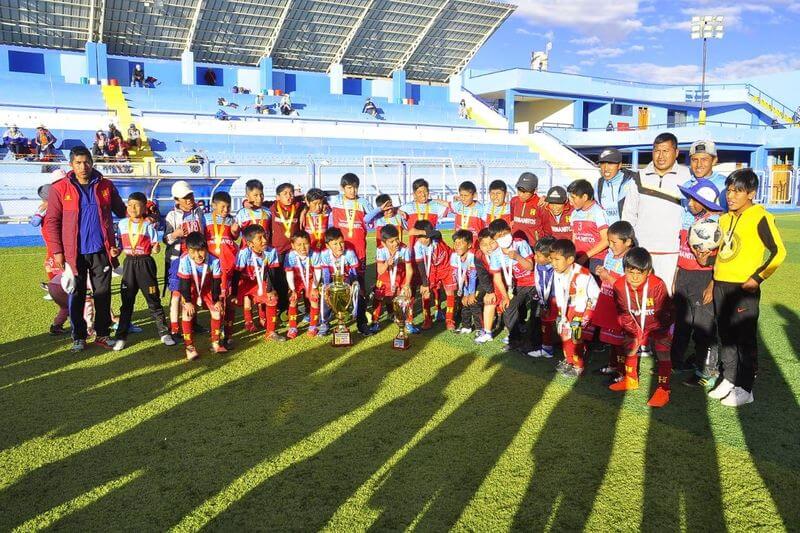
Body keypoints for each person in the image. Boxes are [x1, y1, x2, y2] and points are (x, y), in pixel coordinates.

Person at [707, 169, 786, 407]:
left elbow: (779, 252)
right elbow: (723, 252)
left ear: (751, 193)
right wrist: (709, 268)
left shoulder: (760, 216)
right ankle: (729, 378)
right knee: (726, 335)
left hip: (744, 287)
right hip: (722, 284)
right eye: (729, 190)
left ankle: (746, 387)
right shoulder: (724, 218)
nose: (731, 196)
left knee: (744, 339)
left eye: (737, 191)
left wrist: (758, 278)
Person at [44, 146, 127, 351]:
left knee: (103, 294)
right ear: (71, 165)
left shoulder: (106, 185)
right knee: (77, 295)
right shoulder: (60, 189)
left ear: (92, 162)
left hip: (101, 251)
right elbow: (51, 221)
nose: (83, 167)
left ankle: (103, 334)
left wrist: (144, 209)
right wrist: (57, 252)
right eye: (78, 163)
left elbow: (122, 210)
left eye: (86, 162)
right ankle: (78, 337)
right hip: (74, 254)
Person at [622, 132, 690, 293]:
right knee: (641, 297)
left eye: (665, 151)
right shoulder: (639, 177)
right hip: (642, 252)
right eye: (657, 150)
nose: (660, 156)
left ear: (676, 153)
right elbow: (629, 214)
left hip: (672, 253)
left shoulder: (688, 177)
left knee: (667, 297)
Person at [672, 180, 723, 385]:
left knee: (703, 325)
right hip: (684, 274)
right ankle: (676, 362)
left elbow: (721, 259)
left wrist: (712, 284)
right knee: (682, 323)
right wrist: (676, 275)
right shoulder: (689, 218)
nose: (689, 202)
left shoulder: (716, 224)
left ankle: (707, 372)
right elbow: (680, 249)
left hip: (703, 278)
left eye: (694, 199)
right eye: (690, 198)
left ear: (706, 202)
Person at [610, 247, 674, 407]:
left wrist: (657, 329)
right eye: (630, 272)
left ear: (649, 271)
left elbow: (666, 311)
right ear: (624, 270)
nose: (635, 277)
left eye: (640, 273)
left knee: (662, 352)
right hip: (634, 323)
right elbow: (622, 311)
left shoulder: (657, 284)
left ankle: (663, 389)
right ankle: (631, 379)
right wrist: (634, 330)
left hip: (659, 324)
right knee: (629, 346)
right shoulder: (618, 285)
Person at [112, 192, 174, 350]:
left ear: (144, 207)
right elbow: (119, 245)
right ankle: (121, 337)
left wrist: (156, 248)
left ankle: (164, 333)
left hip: (145, 264)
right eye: (130, 204)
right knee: (127, 302)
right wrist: (116, 251)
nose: (133, 208)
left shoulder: (148, 225)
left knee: (153, 301)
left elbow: (155, 245)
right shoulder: (122, 224)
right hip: (129, 264)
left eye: (137, 204)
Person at [590, 221, 637, 381]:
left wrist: (607, 276)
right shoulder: (610, 254)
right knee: (611, 339)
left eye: (614, 242)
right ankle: (612, 365)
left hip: (620, 307)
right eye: (609, 242)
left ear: (628, 242)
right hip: (607, 301)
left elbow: (629, 285)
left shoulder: (631, 260)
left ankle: (623, 373)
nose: (610, 246)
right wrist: (601, 272)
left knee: (620, 342)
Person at [164, 180, 206, 340]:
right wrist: (176, 234)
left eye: (190, 196)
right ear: (176, 200)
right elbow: (166, 239)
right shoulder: (171, 216)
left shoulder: (199, 212)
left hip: (196, 259)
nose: (189, 200)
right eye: (185, 197)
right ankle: (175, 328)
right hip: (178, 260)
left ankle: (193, 323)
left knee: (193, 292)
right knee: (176, 293)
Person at [487, 218, 537, 353]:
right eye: (499, 236)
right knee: (508, 308)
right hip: (518, 285)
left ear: (510, 230)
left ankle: (534, 343)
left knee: (536, 313)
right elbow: (497, 277)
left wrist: (517, 257)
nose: (504, 237)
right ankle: (515, 340)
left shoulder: (520, 244)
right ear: (494, 239)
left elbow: (530, 267)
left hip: (534, 283)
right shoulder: (496, 254)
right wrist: (505, 297)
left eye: (505, 233)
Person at [551, 239, 599, 377]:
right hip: (567, 306)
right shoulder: (557, 271)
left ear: (570, 259)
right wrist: (561, 312)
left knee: (576, 335)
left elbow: (588, 297)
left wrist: (581, 316)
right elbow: (560, 293)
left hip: (583, 307)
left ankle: (579, 366)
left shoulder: (582, 275)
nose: (553, 263)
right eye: (552, 259)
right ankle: (569, 360)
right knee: (564, 333)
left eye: (557, 259)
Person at [177, 232, 227, 359]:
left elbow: (216, 282)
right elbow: (184, 283)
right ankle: (189, 347)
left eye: (200, 251)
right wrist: (187, 301)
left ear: (206, 249)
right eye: (193, 252)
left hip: (208, 289)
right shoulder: (184, 260)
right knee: (186, 313)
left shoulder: (214, 260)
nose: (197, 255)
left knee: (217, 311)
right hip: (191, 289)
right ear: (187, 250)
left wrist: (216, 300)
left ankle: (215, 342)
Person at [230, 224, 284, 341]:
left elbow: (272, 273)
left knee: (272, 299)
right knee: (231, 302)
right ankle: (229, 332)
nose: (264, 240)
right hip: (244, 282)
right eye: (260, 238)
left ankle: (271, 332)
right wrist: (234, 293)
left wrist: (270, 290)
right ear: (250, 244)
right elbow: (236, 274)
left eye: (265, 236)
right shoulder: (243, 253)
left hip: (260, 282)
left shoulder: (271, 251)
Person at [315, 227, 371, 337]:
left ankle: (362, 324)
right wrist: (327, 288)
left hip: (348, 280)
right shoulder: (324, 254)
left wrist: (355, 286)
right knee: (325, 296)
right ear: (327, 245)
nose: (339, 246)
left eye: (341, 242)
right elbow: (326, 274)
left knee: (359, 296)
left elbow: (354, 272)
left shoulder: (349, 252)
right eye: (335, 244)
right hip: (332, 281)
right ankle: (324, 324)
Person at [205, 191, 239, 346]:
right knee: (215, 298)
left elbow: (234, 237)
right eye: (222, 207)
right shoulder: (205, 218)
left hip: (227, 266)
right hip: (211, 266)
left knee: (228, 300)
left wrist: (234, 231)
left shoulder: (231, 220)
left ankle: (229, 334)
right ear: (213, 205)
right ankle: (215, 333)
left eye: (228, 207)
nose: (226, 210)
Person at [327, 174, 370, 292]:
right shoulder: (336, 201)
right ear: (342, 188)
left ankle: (360, 307)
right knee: (339, 276)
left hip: (359, 248)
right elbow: (315, 202)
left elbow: (376, 217)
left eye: (356, 188)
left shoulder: (363, 202)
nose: (353, 191)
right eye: (349, 188)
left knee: (360, 278)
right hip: (340, 248)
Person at [370, 224, 414, 334]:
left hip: (401, 278)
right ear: (384, 243)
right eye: (392, 241)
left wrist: (407, 284)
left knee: (408, 296)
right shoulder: (380, 250)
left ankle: (409, 322)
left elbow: (409, 269)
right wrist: (386, 264)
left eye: (397, 239)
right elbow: (380, 271)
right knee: (379, 295)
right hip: (385, 278)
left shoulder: (404, 249)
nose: (396, 243)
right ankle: (375, 322)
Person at [413, 220, 455, 331]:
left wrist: (424, 232)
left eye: (426, 237)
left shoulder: (437, 238)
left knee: (449, 292)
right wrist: (425, 283)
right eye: (421, 237)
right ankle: (428, 319)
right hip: (431, 269)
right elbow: (421, 265)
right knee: (426, 291)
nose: (424, 240)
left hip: (447, 266)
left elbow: (436, 233)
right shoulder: (418, 246)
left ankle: (449, 320)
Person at [270, 182, 304, 311]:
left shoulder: (298, 206)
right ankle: (281, 307)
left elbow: (311, 201)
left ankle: (292, 305)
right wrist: (245, 201)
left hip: (292, 251)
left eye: (291, 193)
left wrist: (305, 209)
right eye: (285, 194)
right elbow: (256, 203)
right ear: (278, 197)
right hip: (277, 250)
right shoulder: (272, 207)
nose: (289, 196)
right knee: (278, 279)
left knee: (293, 278)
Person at [284, 231, 321, 338]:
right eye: (299, 245)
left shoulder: (314, 254)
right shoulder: (290, 255)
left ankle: (313, 326)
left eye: (306, 244)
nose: (303, 247)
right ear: (293, 245)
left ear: (310, 243)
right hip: (296, 280)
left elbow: (318, 272)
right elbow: (289, 274)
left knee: (314, 298)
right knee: (293, 299)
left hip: (310, 280)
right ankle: (292, 327)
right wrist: (292, 289)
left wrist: (315, 287)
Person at [567, 179, 609, 274]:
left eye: (573, 198)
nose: (570, 201)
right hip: (578, 258)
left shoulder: (598, 212)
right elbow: (574, 237)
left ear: (585, 197)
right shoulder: (574, 213)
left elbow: (606, 240)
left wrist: (585, 256)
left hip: (596, 259)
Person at [398, 179, 449, 253]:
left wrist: (438, 200)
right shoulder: (406, 208)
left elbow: (454, 208)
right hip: (414, 249)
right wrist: (397, 210)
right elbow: (390, 212)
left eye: (425, 191)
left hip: (432, 247)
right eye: (419, 192)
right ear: (414, 194)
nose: (423, 194)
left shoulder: (435, 205)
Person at [527, 236, 557, 358]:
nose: (535, 258)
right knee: (545, 323)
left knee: (561, 325)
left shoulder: (558, 268)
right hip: (543, 298)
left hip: (556, 300)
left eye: (538, 256)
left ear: (549, 258)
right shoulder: (539, 265)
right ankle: (546, 348)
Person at [474, 229, 504, 344]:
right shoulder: (478, 255)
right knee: (489, 300)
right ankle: (487, 333)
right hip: (492, 281)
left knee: (510, 305)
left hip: (508, 282)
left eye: (491, 243)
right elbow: (483, 275)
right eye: (484, 245)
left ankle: (515, 330)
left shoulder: (504, 252)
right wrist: (490, 291)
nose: (489, 247)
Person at [596, 148, 638, 224]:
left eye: (610, 163)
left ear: (619, 165)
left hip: (628, 233)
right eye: (602, 163)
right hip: (606, 234)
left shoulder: (633, 181)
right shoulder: (598, 185)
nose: (606, 168)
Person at [450, 230, 480, 334]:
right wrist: (461, 290)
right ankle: (466, 326)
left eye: (461, 243)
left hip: (478, 284)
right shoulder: (454, 256)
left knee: (473, 304)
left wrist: (469, 294)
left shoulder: (473, 257)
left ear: (469, 245)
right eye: (455, 243)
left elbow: (473, 277)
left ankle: (480, 329)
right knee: (464, 304)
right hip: (465, 285)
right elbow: (456, 274)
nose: (457, 245)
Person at [235, 179, 271, 248]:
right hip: (247, 250)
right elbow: (235, 236)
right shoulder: (241, 213)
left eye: (261, 194)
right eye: (255, 195)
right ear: (247, 196)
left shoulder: (268, 211)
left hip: (265, 251)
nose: (259, 198)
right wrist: (234, 230)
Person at [510, 172, 542, 245]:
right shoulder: (514, 201)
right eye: (519, 190)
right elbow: (512, 220)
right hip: (515, 244)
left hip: (533, 246)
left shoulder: (540, 204)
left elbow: (546, 229)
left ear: (535, 190)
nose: (521, 194)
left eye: (525, 192)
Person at [300, 188, 329, 252]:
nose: (318, 207)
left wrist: (326, 204)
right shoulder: (303, 214)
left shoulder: (326, 211)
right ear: (307, 202)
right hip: (308, 250)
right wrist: (304, 210)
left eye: (320, 203)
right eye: (315, 203)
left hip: (324, 250)